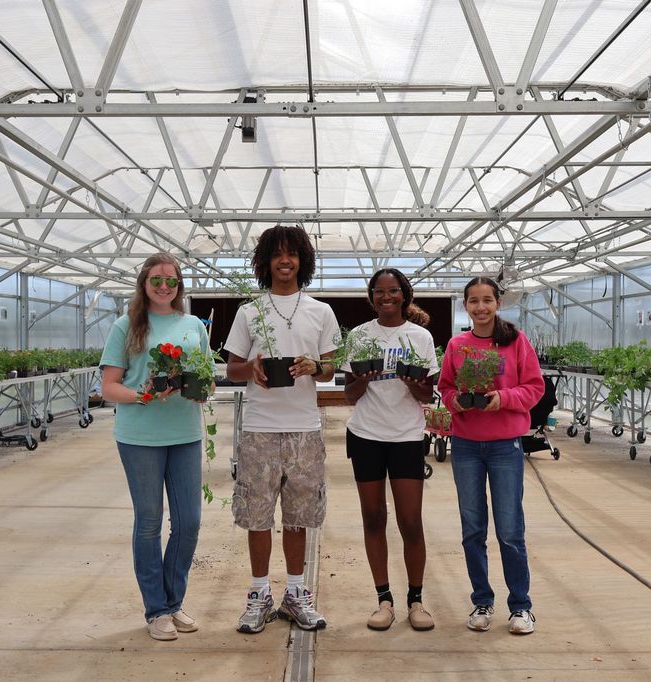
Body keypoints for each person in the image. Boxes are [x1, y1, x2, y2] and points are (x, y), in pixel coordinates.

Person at [224, 225, 339, 634]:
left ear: (302, 261)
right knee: (257, 515)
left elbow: (330, 369)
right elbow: (232, 366)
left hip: (304, 430)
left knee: (298, 516)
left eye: (292, 254)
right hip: (259, 429)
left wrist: (315, 366)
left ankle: (295, 593)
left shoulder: (320, 311)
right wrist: (250, 368)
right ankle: (258, 594)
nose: (285, 261)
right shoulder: (250, 311)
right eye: (277, 254)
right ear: (266, 261)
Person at [99, 253, 211, 642]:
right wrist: (142, 396)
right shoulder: (126, 326)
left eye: (172, 281)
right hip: (140, 437)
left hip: (185, 433)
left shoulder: (194, 324)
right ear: (143, 283)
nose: (164, 287)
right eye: (156, 280)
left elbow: (206, 377)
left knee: (189, 523)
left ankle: (174, 601)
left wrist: (202, 391)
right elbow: (109, 386)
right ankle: (156, 609)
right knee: (149, 522)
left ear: (179, 285)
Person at [437, 276, 544, 635]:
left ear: (498, 302)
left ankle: (521, 606)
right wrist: (457, 403)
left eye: (487, 300)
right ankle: (482, 600)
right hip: (466, 445)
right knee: (472, 529)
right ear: (465, 305)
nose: (480, 307)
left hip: (505, 446)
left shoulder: (516, 342)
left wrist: (504, 399)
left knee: (511, 529)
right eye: (473, 301)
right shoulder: (458, 344)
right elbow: (446, 386)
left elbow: (534, 388)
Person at [343, 268, 438, 632]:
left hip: (407, 436)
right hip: (366, 434)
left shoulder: (420, 337)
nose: (387, 297)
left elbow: (428, 395)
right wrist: (363, 380)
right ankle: (384, 599)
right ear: (372, 297)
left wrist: (411, 382)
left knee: (411, 521)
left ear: (404, 295)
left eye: (393, 291)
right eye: (380, 292)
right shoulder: (359, 336)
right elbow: (349, 395)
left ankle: (416, 600)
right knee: (373, 518)